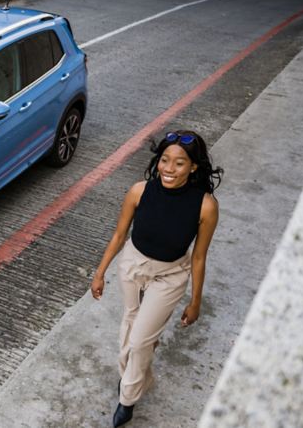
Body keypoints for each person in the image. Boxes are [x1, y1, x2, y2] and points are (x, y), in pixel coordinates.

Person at [90, 130, 223, 427]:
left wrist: (195, 301)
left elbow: (199, 257)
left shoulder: (206, 206)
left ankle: (128, 399)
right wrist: (99, 273)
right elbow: (119, 234)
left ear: (194, 167)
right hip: (132, 267)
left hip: (170, 275)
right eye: (164, 160)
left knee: (138, 342)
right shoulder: (139, 191)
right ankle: (139, 378)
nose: (168, 169)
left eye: (179, 163)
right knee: (129, 328)